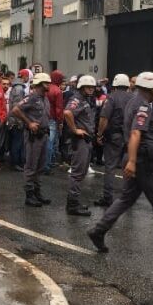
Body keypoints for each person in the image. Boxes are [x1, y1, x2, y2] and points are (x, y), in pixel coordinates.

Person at [86, 72, 153, 255]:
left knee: (126, 198)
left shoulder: (136, 103)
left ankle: (98, 230)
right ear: (149, 87)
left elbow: (149, 128)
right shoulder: (143, 105)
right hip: (143, 159)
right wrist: (133, 162)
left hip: (138, 157)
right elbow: (136, 133)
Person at [12, 73, 52, 207]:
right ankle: (29, 195)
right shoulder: (32, 97)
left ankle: (37, 193)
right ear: (40, 84)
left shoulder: (45, 98)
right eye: (46, 83)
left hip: (44, 134)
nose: (49, 85)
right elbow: (16, 110)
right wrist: (29, 123)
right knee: (31, 166)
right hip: (33, 136)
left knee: (40, 166)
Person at [95, 73, 134, 207]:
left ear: (115, 85)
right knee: (128, 168)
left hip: (114, 136)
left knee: (110, 168)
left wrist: (99, 134)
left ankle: (108, 198)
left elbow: (104, 118)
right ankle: (128, 197)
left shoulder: (111, 98)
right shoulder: (134, 98)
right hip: (130, 137)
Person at [63, 75, 98, 216]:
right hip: (80, 140)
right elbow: (67, 112)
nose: (90, 89)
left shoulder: (85, 100)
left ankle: (74, 201)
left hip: (86, 140)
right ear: (81, 87)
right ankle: (72, 205)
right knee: (77, 173)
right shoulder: (77, 99)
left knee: (81, 173)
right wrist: (74, 129)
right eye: (87, 87)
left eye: (92, 87)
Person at [6, 71, 28, 171]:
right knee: (17, 142)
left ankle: (15, 162)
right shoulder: (19, 89)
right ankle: (16, 163)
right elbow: (17, 107)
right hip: (17, 120)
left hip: (13, 119)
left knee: (15, 141)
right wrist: (19, 121)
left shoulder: (15, 87)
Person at [45, 70, 65, 174]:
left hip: (44, 118)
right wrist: (60, 121)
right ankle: (47, 165)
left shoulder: (46, 88)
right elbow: (59, 108)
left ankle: (49, 162)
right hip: (53, 119)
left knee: (46, 142)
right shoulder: (57, 91)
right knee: (50, 143)